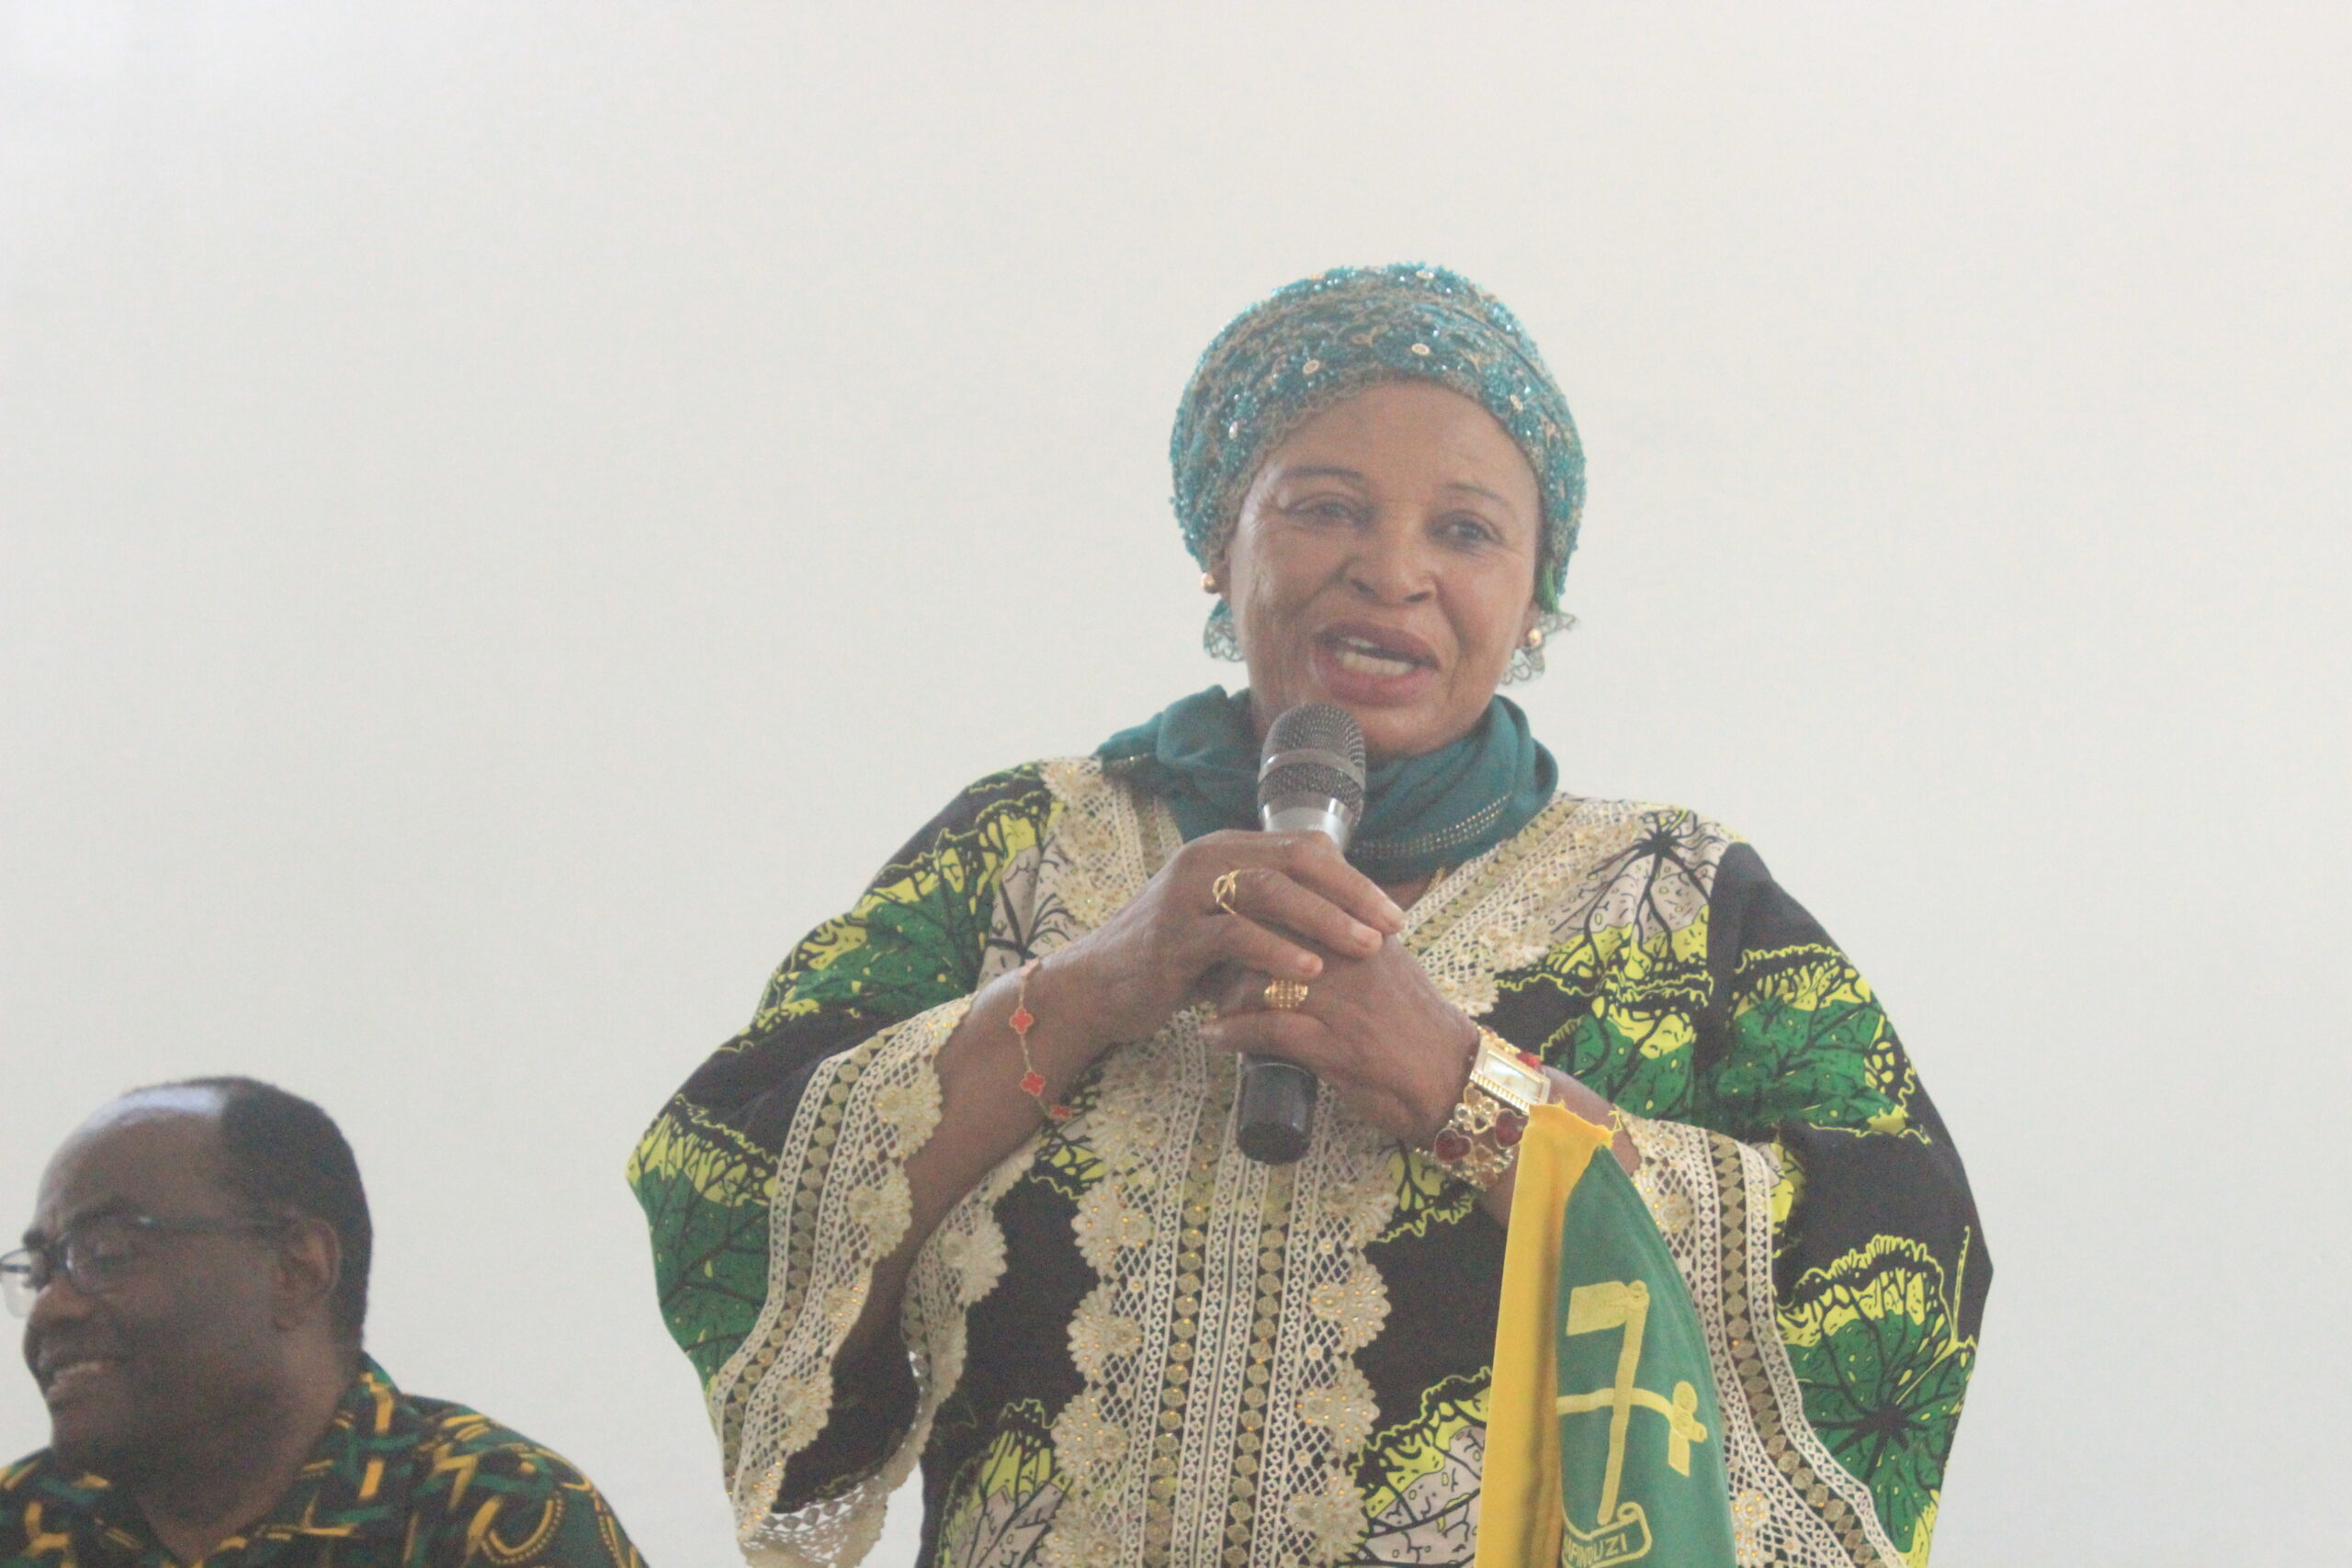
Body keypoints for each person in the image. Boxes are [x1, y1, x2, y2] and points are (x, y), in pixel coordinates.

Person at [631, 265, 1987, 1568]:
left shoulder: (1677, 901)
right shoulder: (1019, 851)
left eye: (1465, 531)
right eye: (1326, 508)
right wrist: (1089, 987)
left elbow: (1900, 1271)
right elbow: (726, 1175)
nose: (1391, 571)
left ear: (1535, 602)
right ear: (1218, 548)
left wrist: (1471, 1089)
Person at [3, 1078, 648, 1568]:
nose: (52, 1308)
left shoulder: (493, 1511)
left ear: (296, 1270)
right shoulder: (25, 1524)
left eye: (107, 1254)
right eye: (39, 1270)